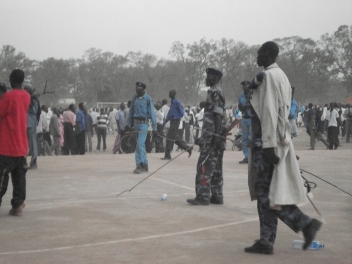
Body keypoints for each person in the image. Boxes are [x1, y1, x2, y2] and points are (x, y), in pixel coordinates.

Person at [245, 41, 322, 254]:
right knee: (268, 192)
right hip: (275, 140)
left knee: (266, 194)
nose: (257, 57)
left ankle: (306, 223)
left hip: (266, 143)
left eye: (260, 53)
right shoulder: (282, 76)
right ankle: (266, 240)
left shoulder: (269, 76)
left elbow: (269, 111)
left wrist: (268, 145)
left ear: (269, 54)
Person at [187, 68, 226, 205]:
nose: (206, 79)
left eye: (208, 77)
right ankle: (217, 195)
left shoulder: (215, 91)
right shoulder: (215, 91)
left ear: (215, 79)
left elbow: (218, 114)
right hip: (212, 136)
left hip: (213, 137)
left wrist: (215, 136)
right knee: (216, 167)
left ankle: (203, 196)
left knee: (204, 166)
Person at [0, 69, 30, 216]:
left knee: (2, 177)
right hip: (22, 145)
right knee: (19, 179)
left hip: (7, 146)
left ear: (11, 80)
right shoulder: (26, 96)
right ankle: (18, 206)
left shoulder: (8, 96)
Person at [126, 82, 158, 174]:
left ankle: (141, 164)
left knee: (140, 144)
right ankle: (144, 164)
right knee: (139, 145)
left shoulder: (148, 99)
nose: (137, 89)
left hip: (144, 124)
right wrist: (128, 124)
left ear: (143, 89)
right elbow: (131, 111)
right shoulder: (134, 98)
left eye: (139, 88)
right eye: (136, 88)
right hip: (135, 123)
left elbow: (152, 114)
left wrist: (155, 128)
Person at [161, 89, 192, 160]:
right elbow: (169, 114)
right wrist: (165, 122)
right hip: (172, 121)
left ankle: (167, 155)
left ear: (173, 94)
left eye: (170, 93)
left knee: (169, 137)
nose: (169, 94)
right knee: (174, 137)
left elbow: (182, 113)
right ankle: (187, 148)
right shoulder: (172, 102)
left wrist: (175, 117)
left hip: (175, 121)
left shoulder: (177, 102)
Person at [24, 86, 40, 169]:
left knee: (33, 144)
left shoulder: (34, 100)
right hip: (24, 124)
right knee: (24, 144)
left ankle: (34, 162)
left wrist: (29, 102)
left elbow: (34, 111)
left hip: (31, 124)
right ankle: (24, 162)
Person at [238, 80, 251, 164]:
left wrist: (247, 105)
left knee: (252, 138)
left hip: (252, 118)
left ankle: (252, 156)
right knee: (244, 138)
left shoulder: (253, 95)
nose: (244, 87)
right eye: (243, 86)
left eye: (246, 86)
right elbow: (240, 106)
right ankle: (246, 156)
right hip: (244, 118)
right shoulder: (241, 96)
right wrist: (245, 106)